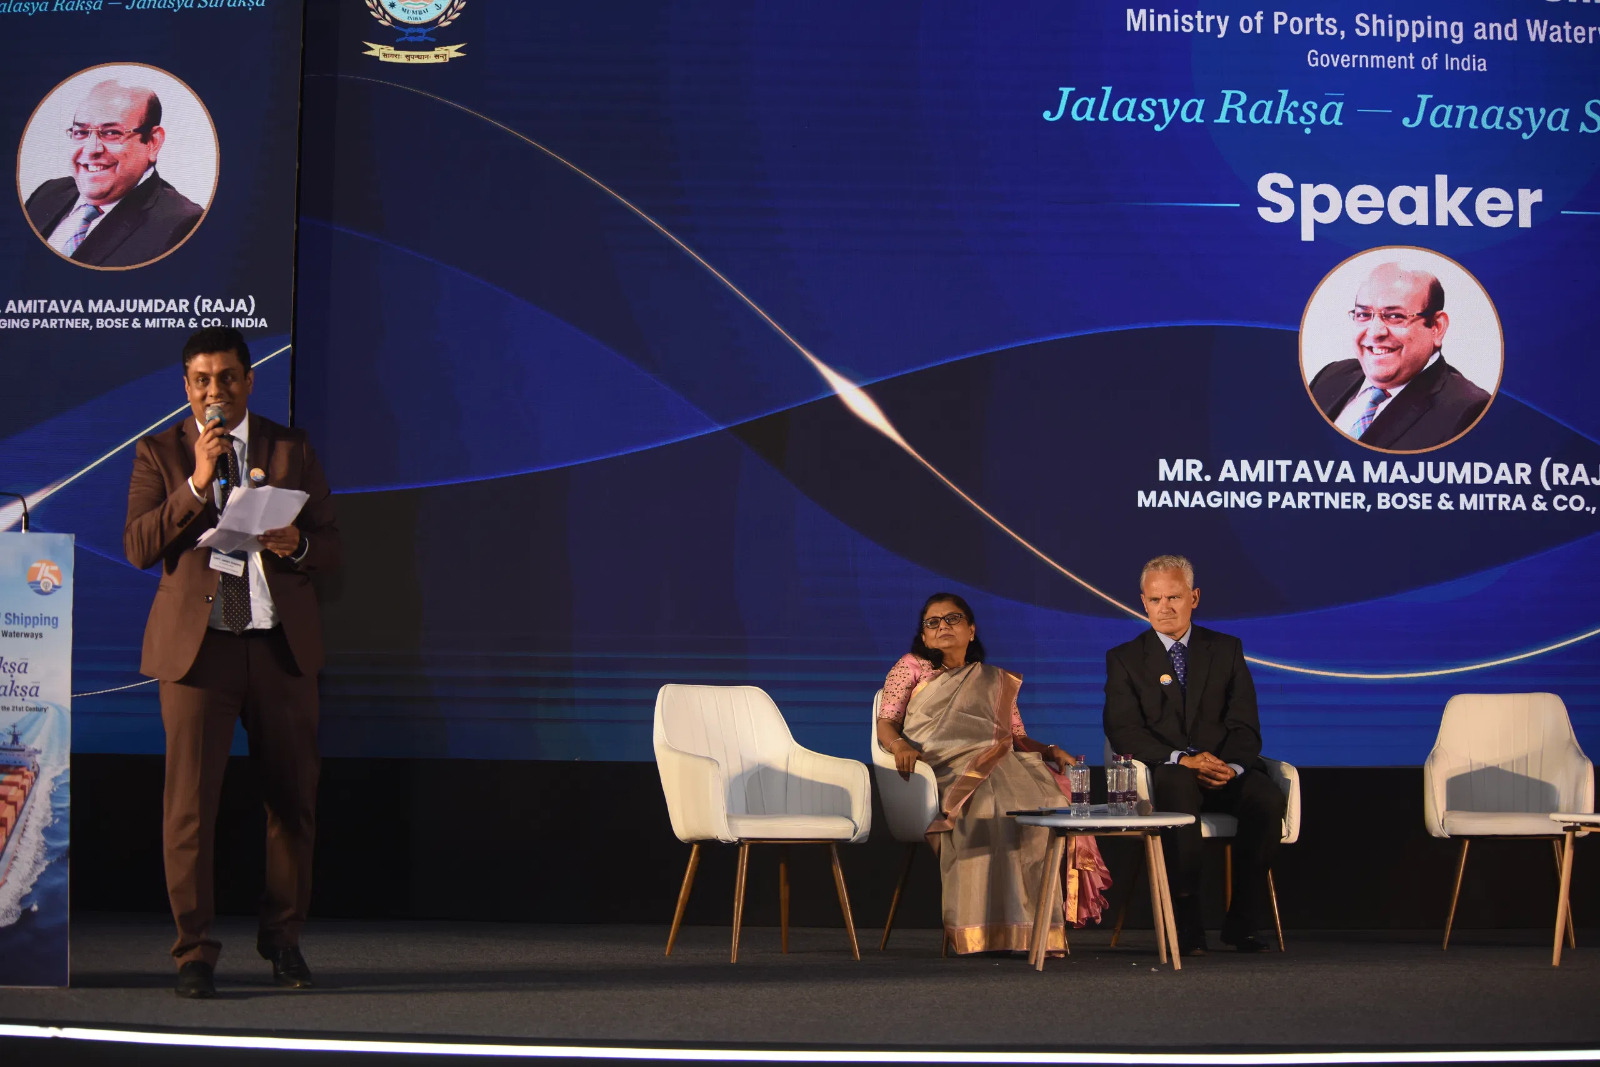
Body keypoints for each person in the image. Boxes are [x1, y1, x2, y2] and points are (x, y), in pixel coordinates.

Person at [124, 326, 340, 998]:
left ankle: (284, 939)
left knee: (292, 801)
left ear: (248, 380)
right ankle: (194, 951)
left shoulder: (290, 448)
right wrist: (195, 483)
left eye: (225, 378)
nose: (213, 391)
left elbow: (332, 548)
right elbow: (138, 546)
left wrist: (297, 543)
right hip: (200, 654)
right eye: (201, 380)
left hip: (278, 648)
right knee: (190, 808)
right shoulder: (159, 452)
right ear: (186, 387)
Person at [876, 593, 1109, 955]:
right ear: (923, 636)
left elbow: (1016, 737)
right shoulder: (911, 667)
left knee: (1043, 804)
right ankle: (981, 929)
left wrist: (1049, 750)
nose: (942, 627)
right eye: (932, 622)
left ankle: (1031, 931)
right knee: (984, 802)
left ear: (971, 629)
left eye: (952, 619)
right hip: (942, 768)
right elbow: (886, 722)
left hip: (997, 763)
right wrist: (899, 746)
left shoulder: (994, 680)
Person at [1102, 555, 1284, 955]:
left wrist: (1230, 767)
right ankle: (1186, 923)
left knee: (1268, 799)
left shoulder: (1226, 649)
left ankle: (1243, 923)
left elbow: (1245, 724)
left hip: (1223, 771)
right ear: (1143, 603)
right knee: (1177, 785)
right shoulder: (1124, 659)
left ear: (1194, 598)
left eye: (1174, 597)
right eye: (1155, 599)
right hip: (1169, 772)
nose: (1164, 607)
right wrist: (1181, 760)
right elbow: (1123, 730)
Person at [1308, 262, 1490, 451]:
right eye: (1363, 314)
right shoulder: (1330, 376)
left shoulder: (1470, 412)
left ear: (1436, 327)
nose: (1375, 332)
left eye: (1394, 316)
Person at [24, 79, 202, 268]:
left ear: (152, 142)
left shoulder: (182, 226)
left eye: (111, 133)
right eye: (81, 132)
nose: (91, 149)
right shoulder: (47, 193)